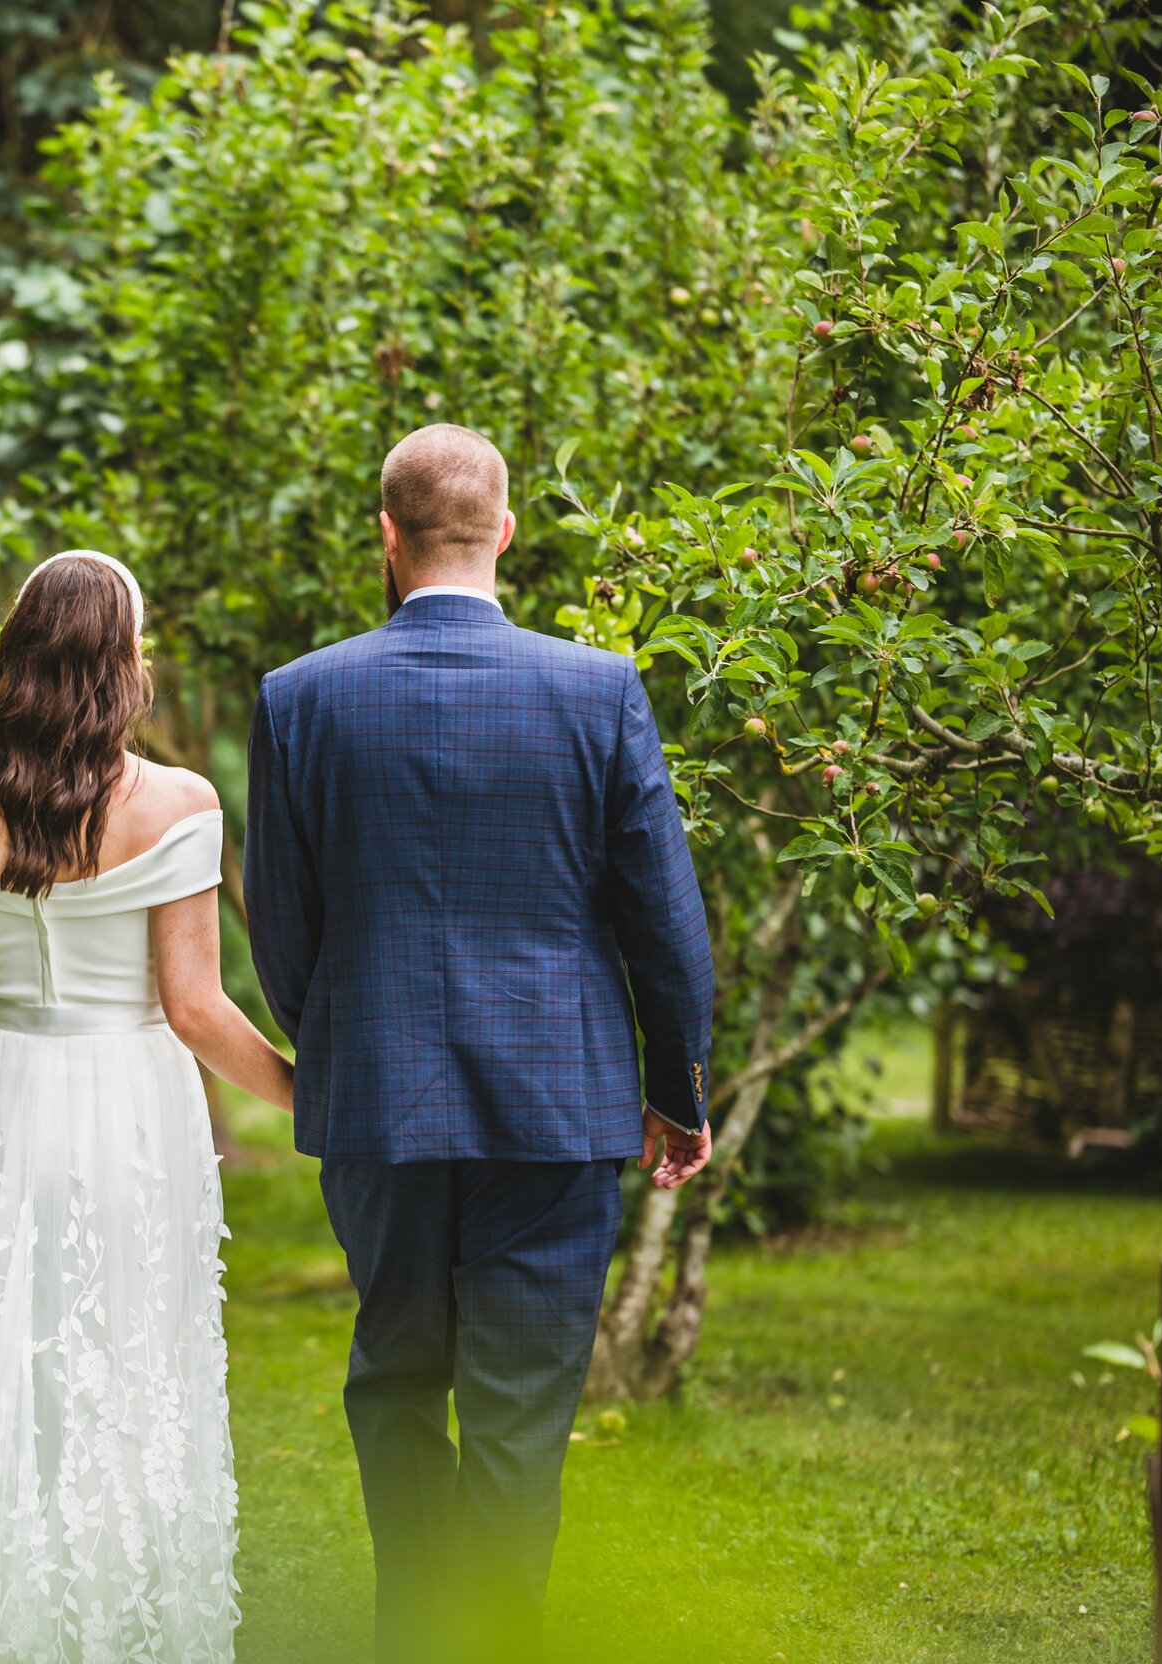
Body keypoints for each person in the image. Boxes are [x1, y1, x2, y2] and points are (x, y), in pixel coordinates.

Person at [243, 424, 718, 1661]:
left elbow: (283, 927)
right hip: (556, 1108)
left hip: (380, 1105)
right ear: (506, 531)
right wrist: (679, 1087)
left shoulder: (299, 697)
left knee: (395, 1378)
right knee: (519, 1412)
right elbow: (663, 919)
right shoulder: (598, 687)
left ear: (387, 540)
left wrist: (343, 1043)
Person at [0, 550, 294, 1664]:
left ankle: (3, 1618)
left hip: (5, 1090)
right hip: (128, 1102)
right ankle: (112, 1623)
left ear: (20, 657)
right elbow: (194, 1008)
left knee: (15, 1358)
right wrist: (305, 1092)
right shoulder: (177, 801)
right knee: (126, 1360)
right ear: (125, 660)